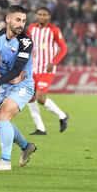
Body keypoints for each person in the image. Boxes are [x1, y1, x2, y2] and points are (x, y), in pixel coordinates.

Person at [0, 5, 37, 171]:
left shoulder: (25, 42)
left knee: (4, 115)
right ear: (8, 19)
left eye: (23, 21)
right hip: (6, 84)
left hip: (23, 85)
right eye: (18, 19)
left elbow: (16, 72)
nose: (21, 24)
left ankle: (5, 161)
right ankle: (26, 146)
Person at [26, 7, 69, 135]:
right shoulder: (31, 28)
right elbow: (27, 45)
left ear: (49, 16)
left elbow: (64, 49)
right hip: (33, 68)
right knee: (30, 97)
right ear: (36, 16)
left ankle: (62, 115)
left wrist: (54, 62)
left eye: (44, 15)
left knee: (40, 97)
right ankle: (40, 128)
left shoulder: (54, 30)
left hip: (47, 69)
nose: (41, 17)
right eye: (39, 14)